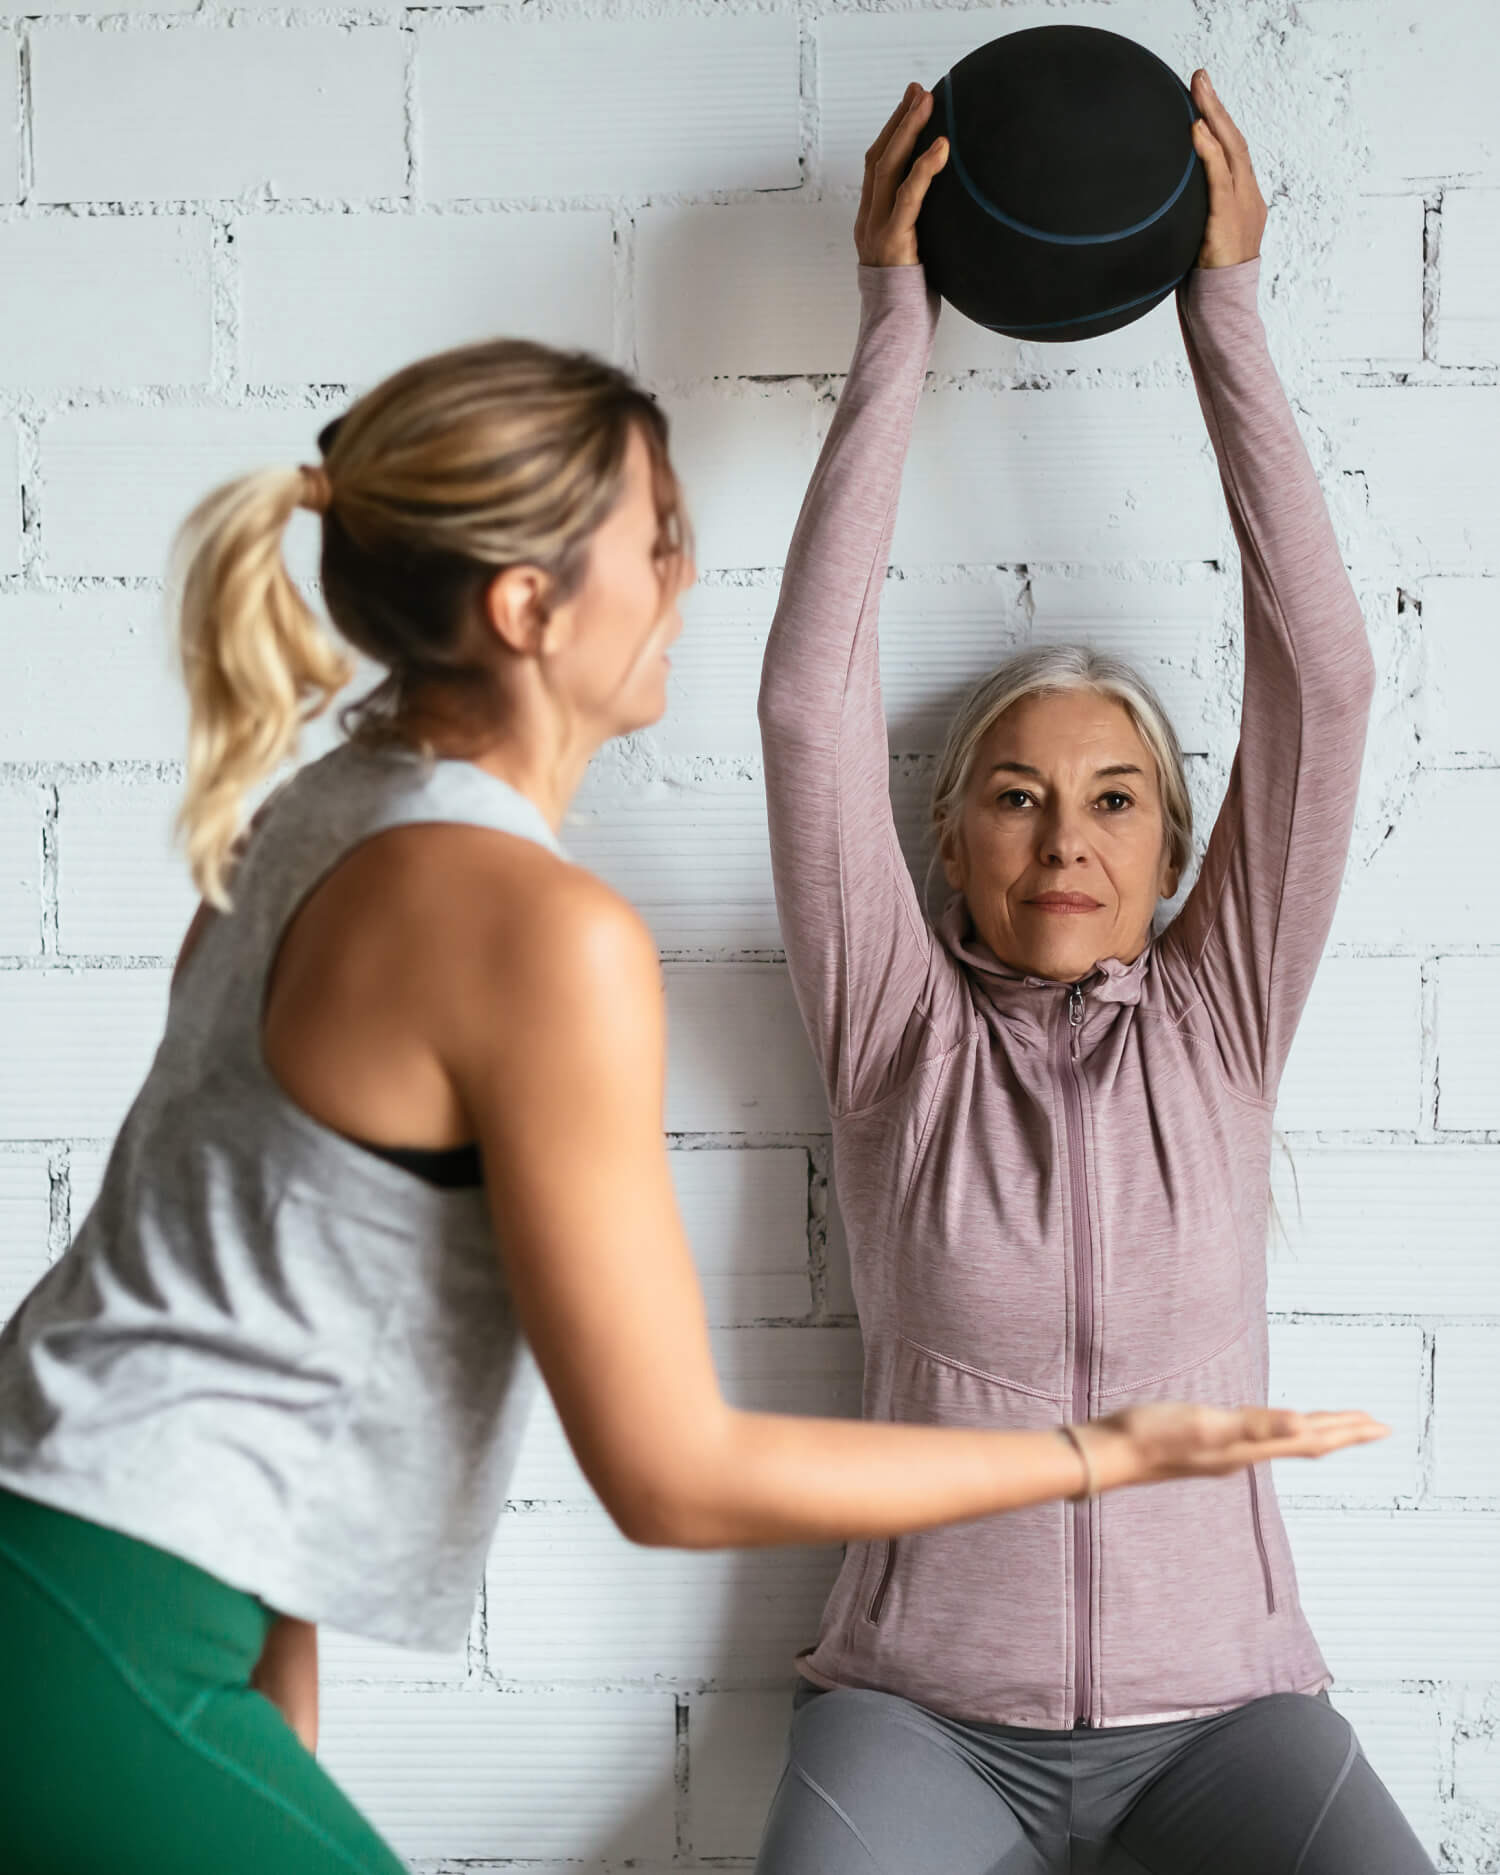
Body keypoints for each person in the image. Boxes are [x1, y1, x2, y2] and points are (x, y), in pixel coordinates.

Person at [0, 322, 1381, 1873]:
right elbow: (666, 1472)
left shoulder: (308, 823)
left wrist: (278, 1670)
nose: (687, 581)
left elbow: (219, 1259)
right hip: (95, 1619)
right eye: (659, 543)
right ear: (530, 606)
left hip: (98, 1587)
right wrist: (1099, 1455)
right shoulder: (542, 927)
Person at [754, 72, 1433, 1875]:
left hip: (1228, 1720)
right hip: (921, 1721)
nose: (1067, 836)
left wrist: (1227, 313)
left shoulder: (1222, 1024)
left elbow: (1332, 687)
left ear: (1173, 857)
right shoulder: (893, 1036)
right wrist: (894, 319)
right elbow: (809, 711)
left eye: (1115, 799)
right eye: (1018, 796)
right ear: (954, 849)